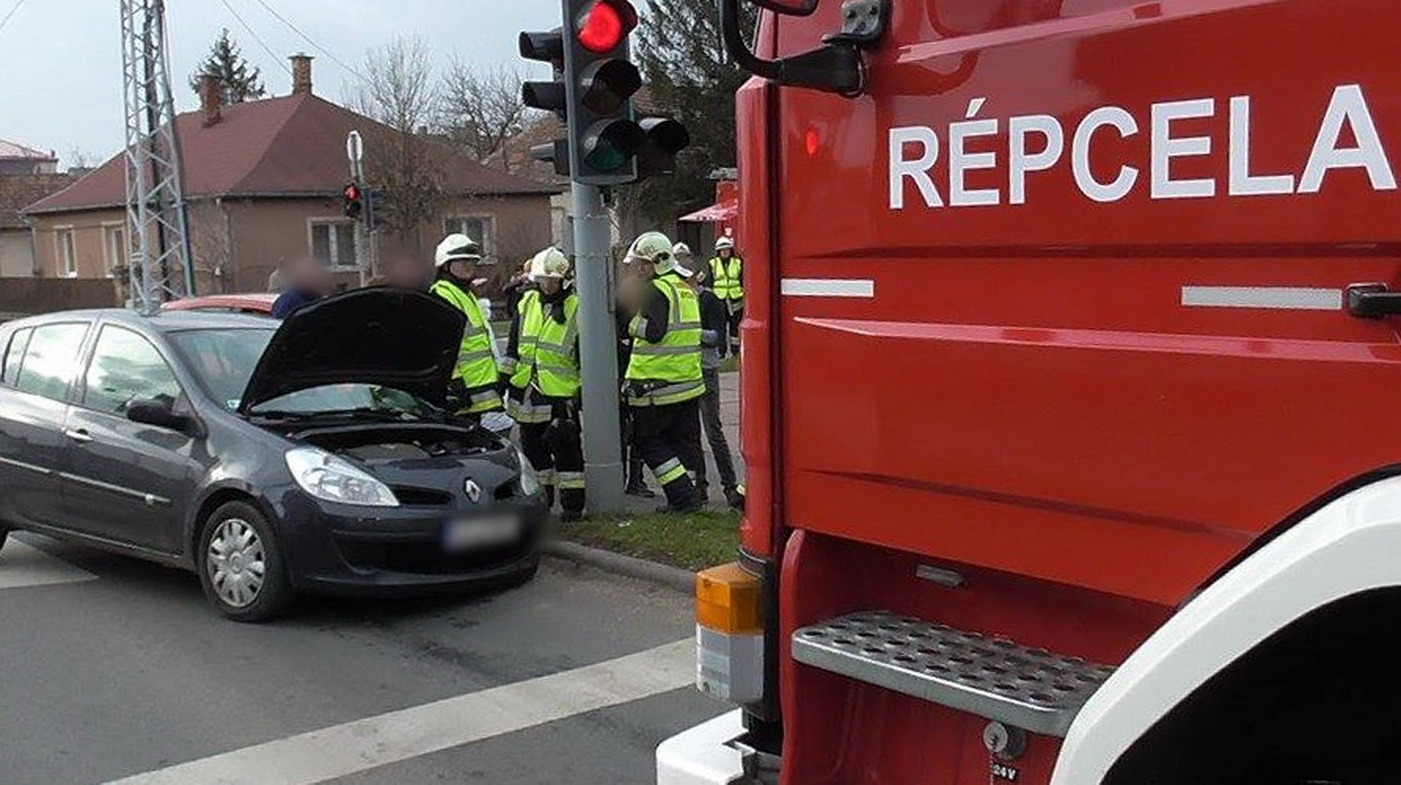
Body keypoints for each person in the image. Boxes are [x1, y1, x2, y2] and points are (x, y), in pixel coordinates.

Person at [619, 231, 706, 513]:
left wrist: (631, 322)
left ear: (654, 263)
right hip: (687, 383)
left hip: (657, 386)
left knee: (647, 441)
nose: (637, 269)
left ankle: (682, 496)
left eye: (641, 264)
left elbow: (655, 333)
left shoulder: (656, 290)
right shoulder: (683, 287)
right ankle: (688, 497)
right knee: (683, 443)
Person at [503, 247, 586, 521]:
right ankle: (543, 504)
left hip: (561, 395)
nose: (547, 285)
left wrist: (582, 392)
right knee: (534, 453)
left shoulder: (577, 306)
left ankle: (573, 507)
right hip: (527, 393)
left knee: (568, 456)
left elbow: (587, 355)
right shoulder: (527, 302)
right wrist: (501, 381)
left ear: (564, 280)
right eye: (543, 280)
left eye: (552, 280)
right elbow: (513, 348)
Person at [681, 242, 743, 510]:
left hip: (705, 370)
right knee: (691, 433)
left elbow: (718, 337)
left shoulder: (709, 300)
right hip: (685, 370)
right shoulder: (679, 301)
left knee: (713, 430)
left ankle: (729, 487)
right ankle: (700, 487)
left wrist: (689, 333)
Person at [429, 233, 503, 420]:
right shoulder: (444, 294)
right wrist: (454, 380)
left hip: (475, 387)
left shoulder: (464, 293)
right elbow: (442, 344)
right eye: (462, 262)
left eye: (472, 262)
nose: (469, 266)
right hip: (461, 389)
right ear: (446, 265)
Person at [707, 236, 744, 354]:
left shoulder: (738, 262)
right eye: (722, 250)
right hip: (719, 300)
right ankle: (721, 353)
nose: (725, 252)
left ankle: (735, 352)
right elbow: (709, 282)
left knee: (735, 329)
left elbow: (743, 280)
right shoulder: (712, 263)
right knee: (720, 328)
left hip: (736, 300)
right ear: (718, 251)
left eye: (727, 249)